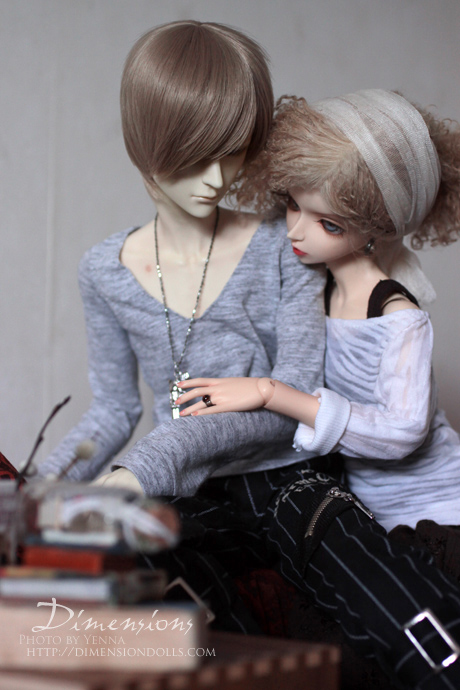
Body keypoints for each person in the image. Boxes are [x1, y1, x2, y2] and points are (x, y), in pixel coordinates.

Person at [38, 24, 460, 687]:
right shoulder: (103, 271)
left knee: (366, 570)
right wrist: (41, 483)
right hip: (194, 486)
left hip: (287, 472)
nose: (217, 179)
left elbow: (293, 388)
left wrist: (150, 462)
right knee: (144, 577)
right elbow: (113, 410)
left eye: (233, 154)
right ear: (146, 142)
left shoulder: (279, 244)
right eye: (193, 156)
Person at [176, 89, 460, 534]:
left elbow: (403, 432)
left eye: (328, 224)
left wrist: (271, 393)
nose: (296, 230)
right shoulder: (313, 286)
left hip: (435, 505)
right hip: (360, 506)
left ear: (377, 227)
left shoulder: (399, 318)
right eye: (293, 204)